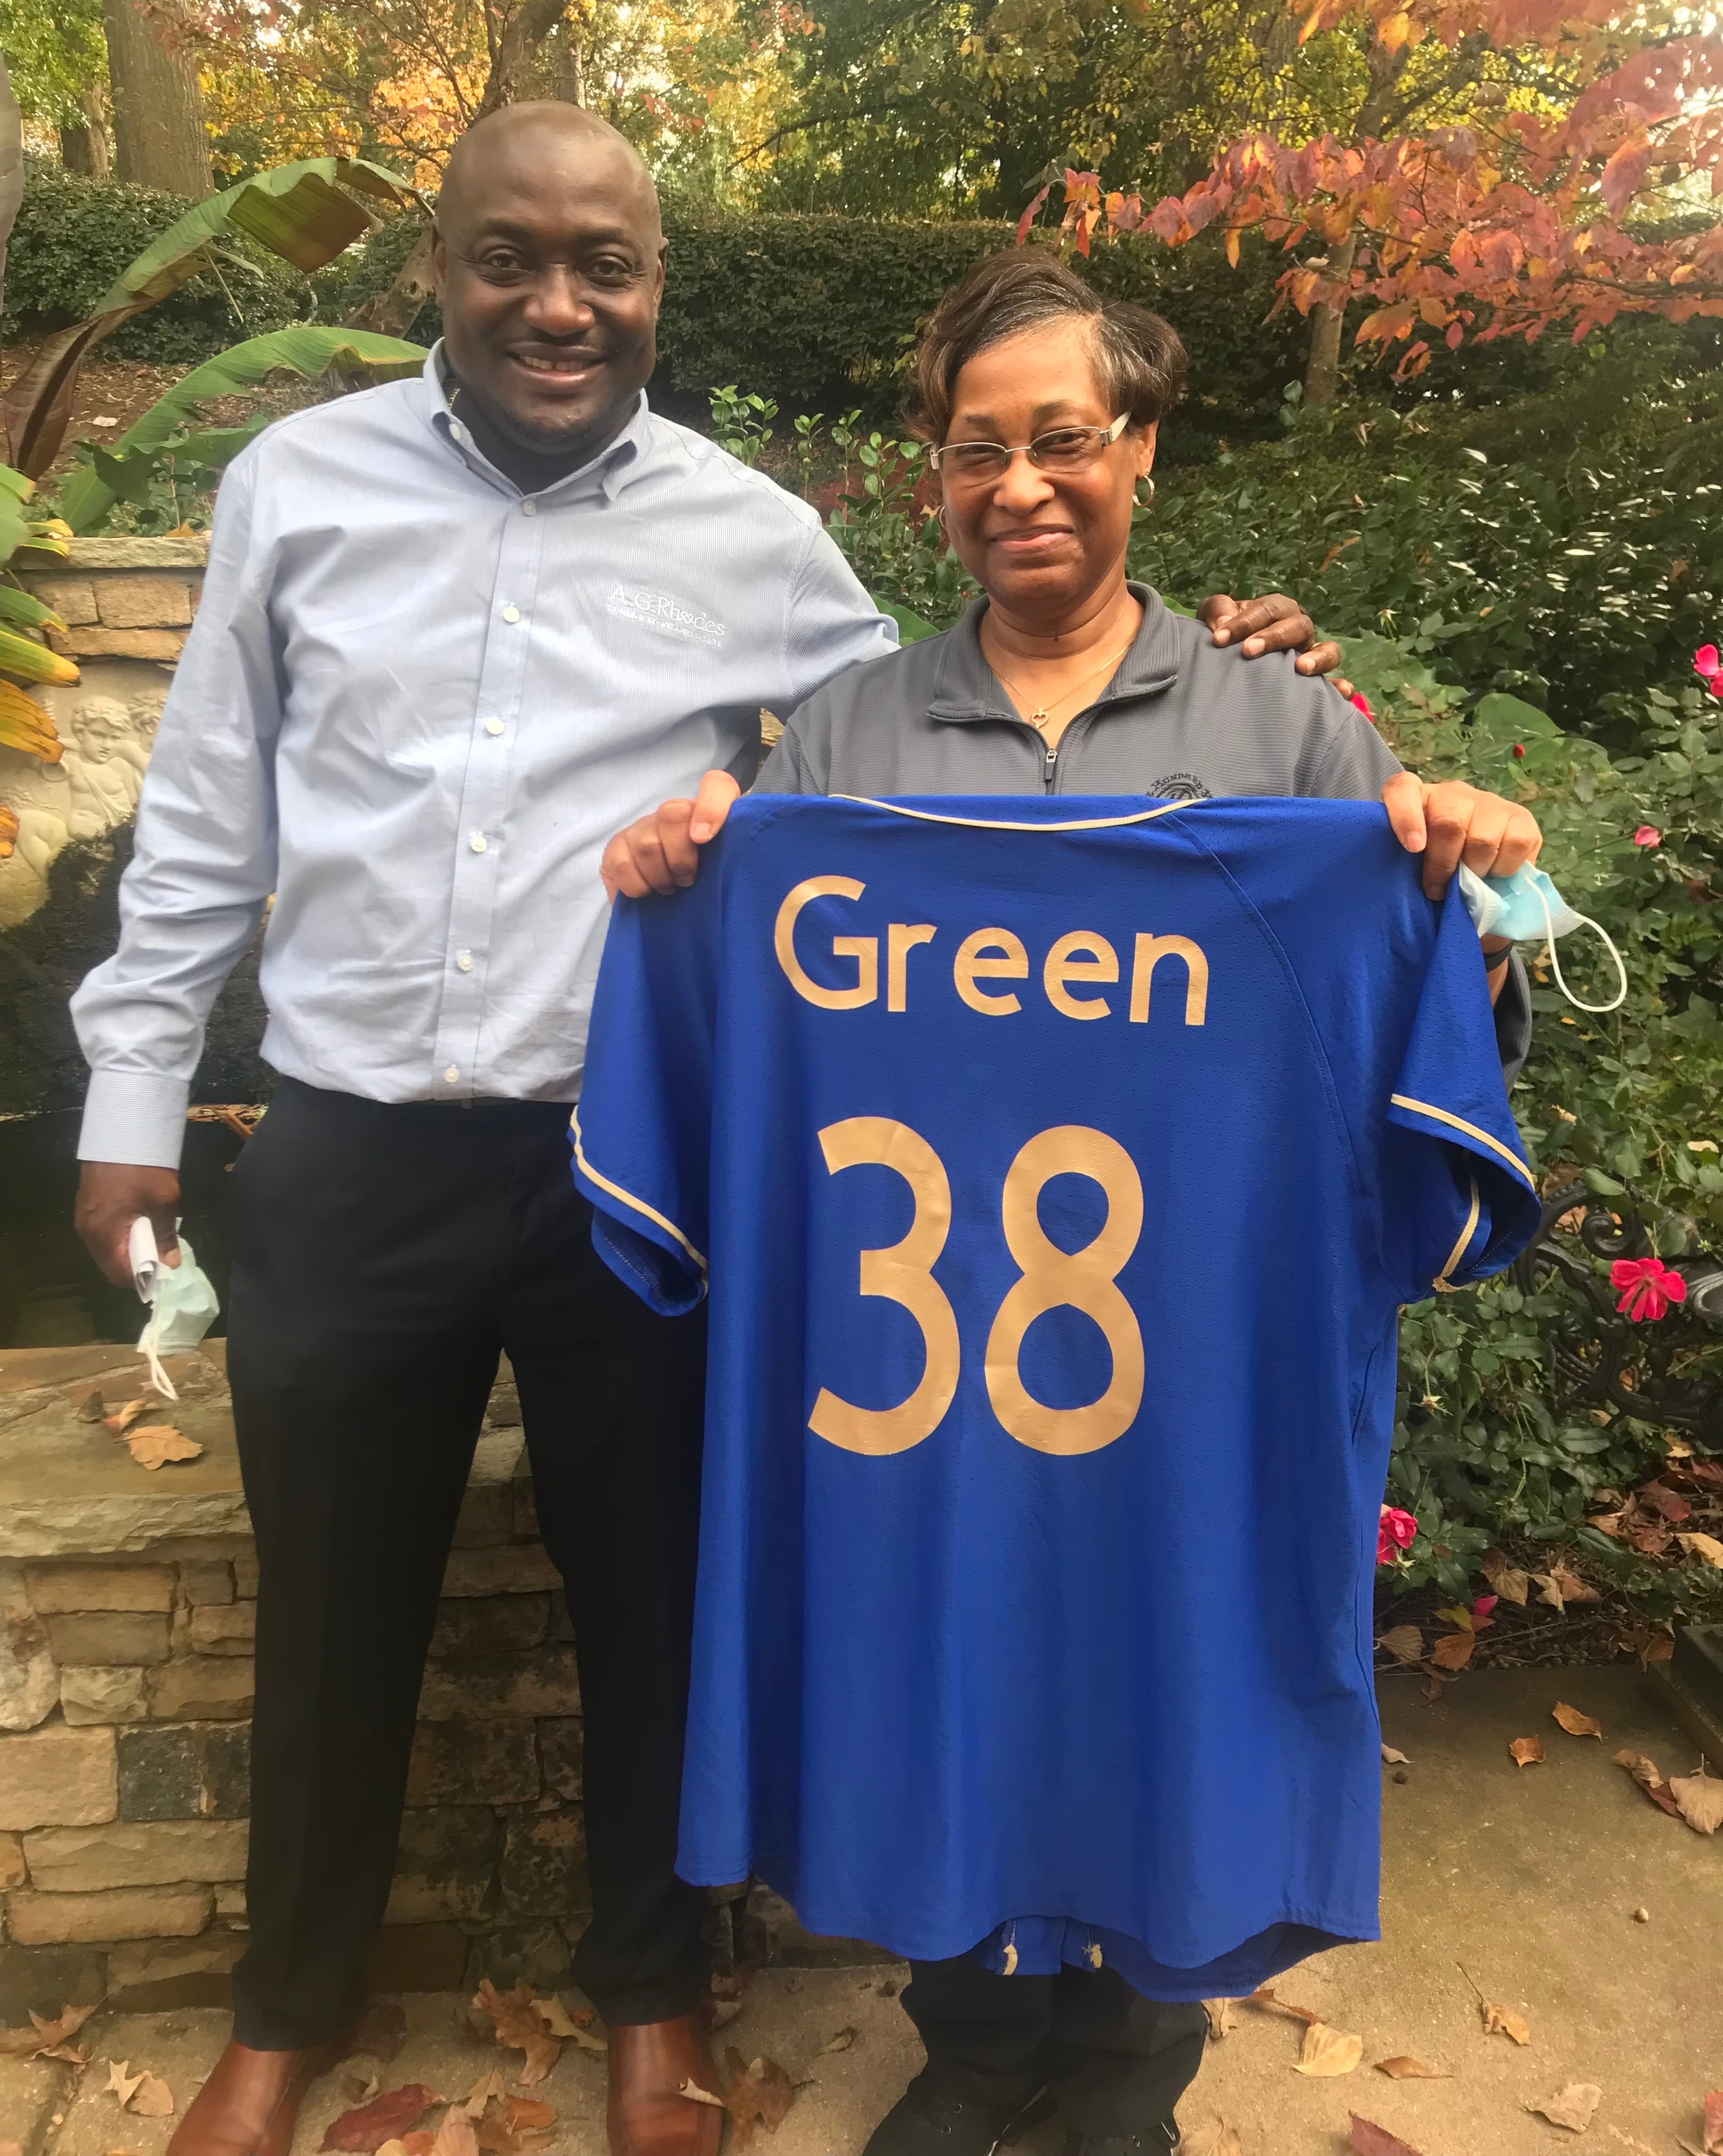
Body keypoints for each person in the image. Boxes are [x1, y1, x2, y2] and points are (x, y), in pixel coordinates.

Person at [69, 106, 1339, 2156]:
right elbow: (209, 813)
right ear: (438, 268)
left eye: (607, 264)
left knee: (658, 1606)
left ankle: (654, 2003)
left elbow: (966, 730)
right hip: (346, 1148)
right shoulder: (291, 490)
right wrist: (133, 1093)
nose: (558, 304)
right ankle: (285, 2015)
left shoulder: (753, 534)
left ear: (660, 282)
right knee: (327, 1605)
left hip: (636, 1168)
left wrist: (1243, 686)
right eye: (509, 258)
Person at [602, 249, 1539, 2156]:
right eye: (977, 450)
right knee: (931, 1690)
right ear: (934, 479)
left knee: (1170, 1691)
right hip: (907, 1401)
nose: (1019, 483)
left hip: (1200, 1388)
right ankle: (974, 2054)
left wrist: (1475, 894)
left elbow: (1414, 1033)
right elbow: (737, 1023)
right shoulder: (844, 743)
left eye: (1063, 439)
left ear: (1142, 449)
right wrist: (680, 878)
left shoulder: (1291, 736)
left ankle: (1128, 2080)